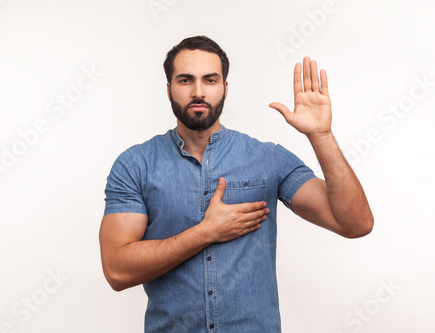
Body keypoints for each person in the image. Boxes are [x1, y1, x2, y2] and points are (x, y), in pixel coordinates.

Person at [99, 35, 374, 332]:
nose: (198, 91)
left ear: (225, 88)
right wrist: (206, 232)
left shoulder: (268, 158)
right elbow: (117, 270)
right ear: (168, 89)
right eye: (185, 80)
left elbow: (355, 224)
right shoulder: (135, 165)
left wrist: (321, 135)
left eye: (210, 80)